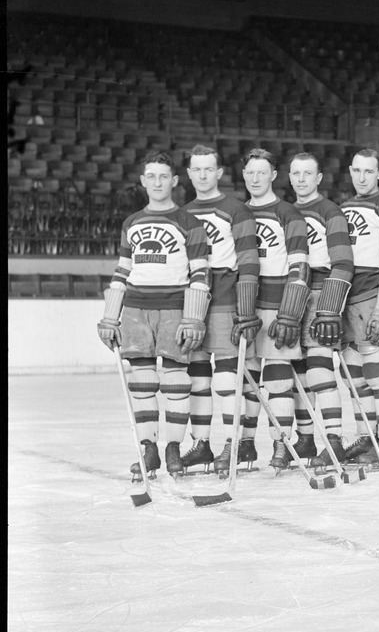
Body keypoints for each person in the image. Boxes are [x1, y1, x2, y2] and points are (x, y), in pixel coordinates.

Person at [96, 150, 211, 481]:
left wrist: (194, 317)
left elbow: (200, 274)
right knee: (142, 381)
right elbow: (122, 270)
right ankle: (150, 449)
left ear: (174, 181)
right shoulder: (131, 223)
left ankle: (173, 447)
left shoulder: (190, 223)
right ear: (143, 181)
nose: (158, 182)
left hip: (175, 307)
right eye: (152, 176)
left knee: (176, 381)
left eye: (164, 176)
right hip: (135, 308)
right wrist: (110, 317)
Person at [179, 144, 261, 475]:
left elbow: (249, 260)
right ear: (188, 174)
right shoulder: (181, 213)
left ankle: (232, 444)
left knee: (227, 380)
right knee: (197, 380)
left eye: (208, 169)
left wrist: (246, 307)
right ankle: (201, 445)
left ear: (219, 173)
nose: (202, 175)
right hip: (193, 306)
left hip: (226, 301)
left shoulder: (235, 209)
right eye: (196, 169)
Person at [240, 148, 311, 470]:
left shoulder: (288, 213)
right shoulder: (238, 213)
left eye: (261, 172)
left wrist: (290, 312)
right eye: (250, 173)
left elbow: (300, 264)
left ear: (273, 176)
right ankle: (245, 445)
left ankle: (282, 444)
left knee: (279, 379)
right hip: (245, 304)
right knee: (247, 378)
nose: (256, 179)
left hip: (278, 303)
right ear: (244, 176)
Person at [285, 152, 355, 471]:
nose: (301, 179)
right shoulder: (283, 213)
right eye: (296, 173)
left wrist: (329, 306)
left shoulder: (330, 212)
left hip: (319, 293)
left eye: (307, 173)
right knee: (296, 374)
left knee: (319, 371)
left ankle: (334, 441)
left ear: (319, 178)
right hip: (288, 295)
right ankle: (305, 438)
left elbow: (342, 263)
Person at [337, 148, 379, 466]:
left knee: (377, 372)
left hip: (372, 295)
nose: (362, 177)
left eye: (369, 171)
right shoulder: (344, 208)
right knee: (352, 372)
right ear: (350, 171)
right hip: (346, 296)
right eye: (357, 171)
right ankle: (367, 437)